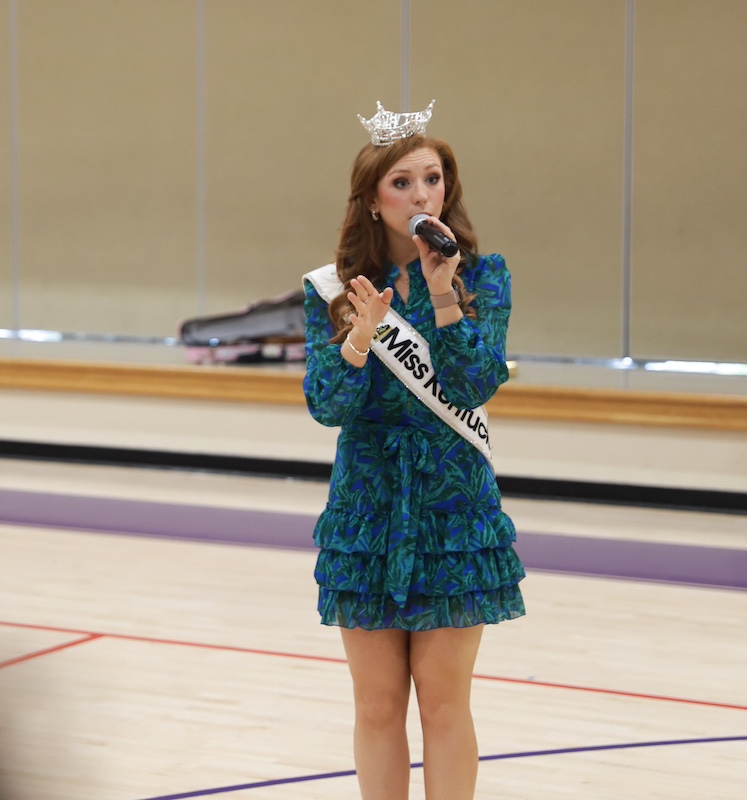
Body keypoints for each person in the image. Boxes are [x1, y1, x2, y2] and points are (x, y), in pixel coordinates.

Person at [302, 100, 525, 800]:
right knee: (375, 705)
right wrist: (361, 337)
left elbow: (476, 380)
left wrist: (441, 292)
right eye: (402, 182)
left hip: (452, 504)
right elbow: (326, 406)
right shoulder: (334, 289)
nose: (421, 194)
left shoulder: (483, 277)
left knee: (444, 703)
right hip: (369, 504)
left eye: (432, 179)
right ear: (372, 197)